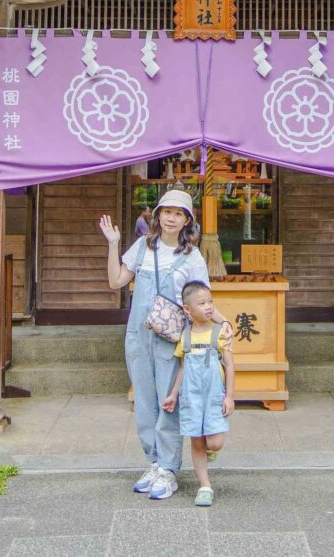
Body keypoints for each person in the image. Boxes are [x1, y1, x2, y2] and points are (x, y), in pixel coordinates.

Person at [100, 189, 207, 501]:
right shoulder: (143, 247)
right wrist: (112, 244)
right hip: (138, 334)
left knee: (168, 402)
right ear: (158, 215)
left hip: (171, 339)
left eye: (179, 213)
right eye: (167, 212)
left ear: (187, 219)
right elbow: (116, 281)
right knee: (144, 402)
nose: (172, 218)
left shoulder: (192, 257)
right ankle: (155, 462)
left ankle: (170, 469)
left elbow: (201, 300)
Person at [163, 281, 235, 507]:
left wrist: (230, 396)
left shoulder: (219, 333)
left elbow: (230, 366)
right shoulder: (185, 337)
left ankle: (210, 451)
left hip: (214, 397)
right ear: (187, 309)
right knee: (196, 440)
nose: (208, 307)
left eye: (210, 302)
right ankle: (205, 486)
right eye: (202, 303)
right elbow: (183, 368)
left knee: (214, 442)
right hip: (191, 397)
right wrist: (174, 394)